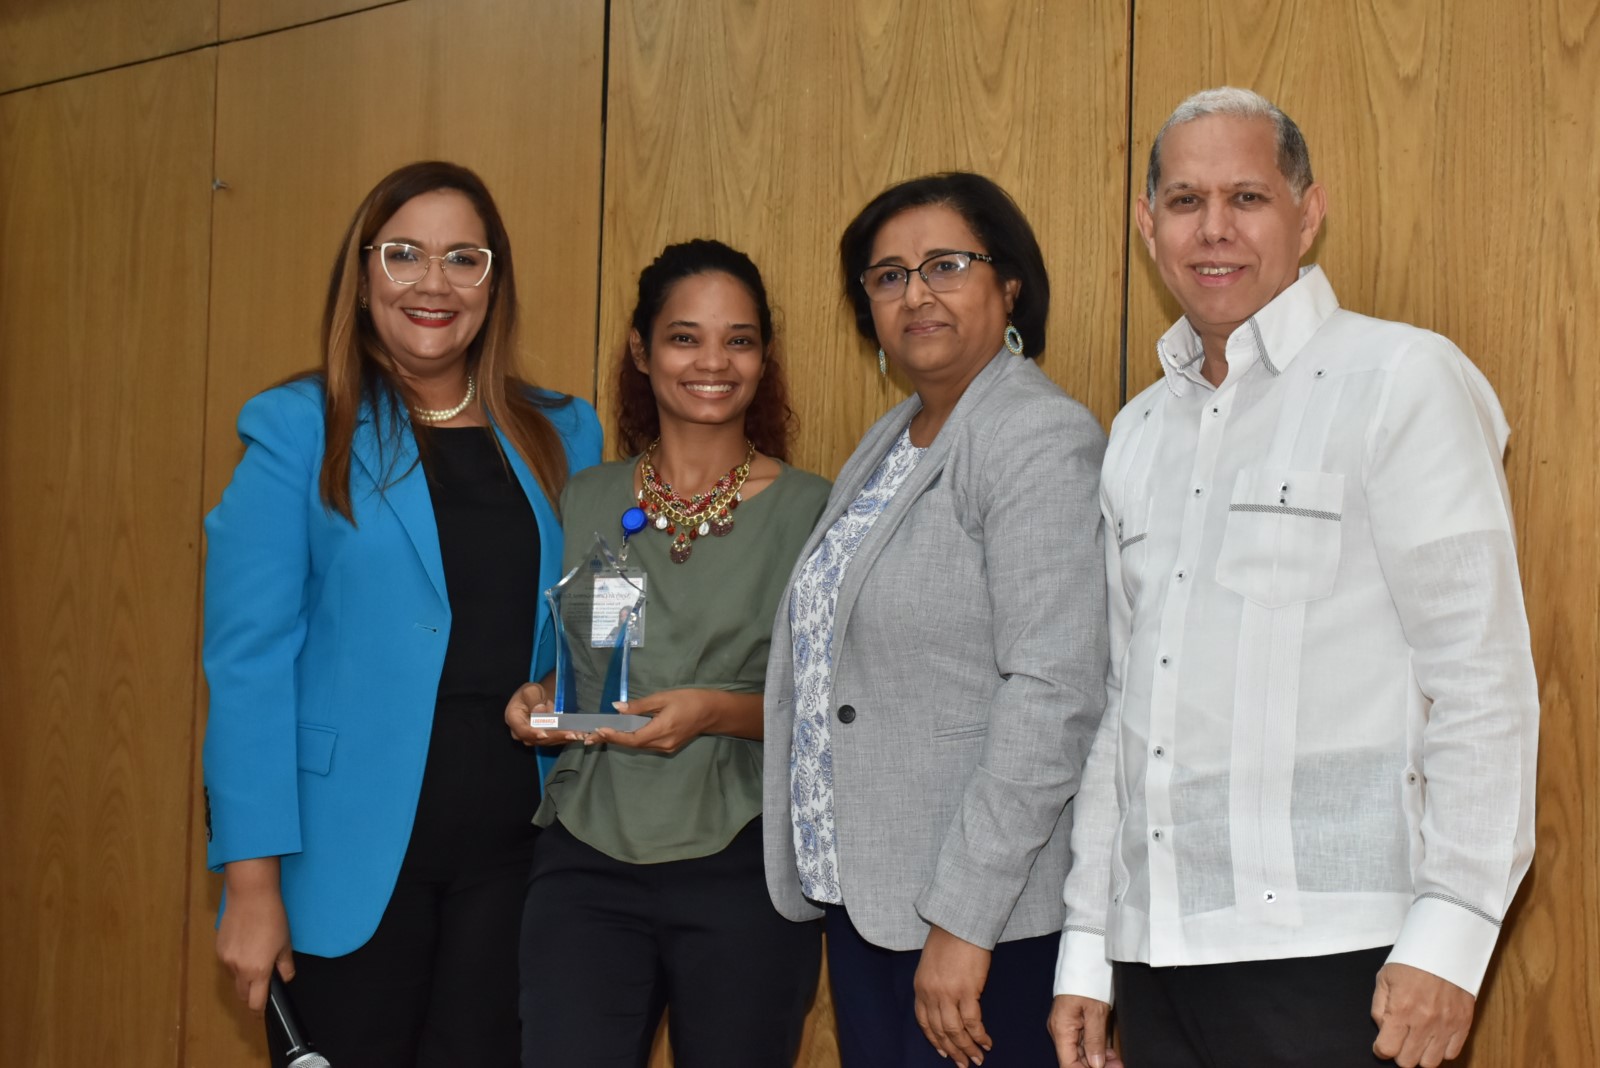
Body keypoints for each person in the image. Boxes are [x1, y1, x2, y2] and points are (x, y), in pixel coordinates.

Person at [1049, 88, 1539, 1068]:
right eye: (1184, 201)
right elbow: (1123, 706)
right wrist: (1090, 946)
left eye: (1248, 197)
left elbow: (1479, 676)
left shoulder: (1401, 381)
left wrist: (1452, 931)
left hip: (1342, 959)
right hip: (1157, 961)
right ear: (1148, 227)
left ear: (1308, 211)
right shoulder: (1138, 434)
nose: (1214, 229)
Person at [202, 160, 602, 1067]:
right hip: (341, 866)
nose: (433, 283)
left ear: (493, 282)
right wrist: (252, 884)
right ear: (365, 272)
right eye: (405, 255)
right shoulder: (300, 427)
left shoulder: (563, 432)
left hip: (515, 857)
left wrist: (561, 688)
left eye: (464, 258)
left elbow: (583, 620)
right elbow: (247, 664)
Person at [762, 172, 1110, 1067]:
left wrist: (962, 920)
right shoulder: (895, 437)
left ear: (1009, 286)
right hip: (873, 900)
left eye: (945, 265)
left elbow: (1055, 692)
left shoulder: (1034, 436)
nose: (915, 292)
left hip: (977, 922)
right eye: (887, 276)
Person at [505, 239, 829, 1067]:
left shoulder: (815, 513)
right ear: (643, 353)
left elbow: (835, 713)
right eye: (685, 337)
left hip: (741, 867)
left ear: (763, 357)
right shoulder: (586, 496)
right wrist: (539, 700)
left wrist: (713, 711)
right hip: (585, 859)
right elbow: (580, 659)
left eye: (740, 339)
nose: (713, 362)